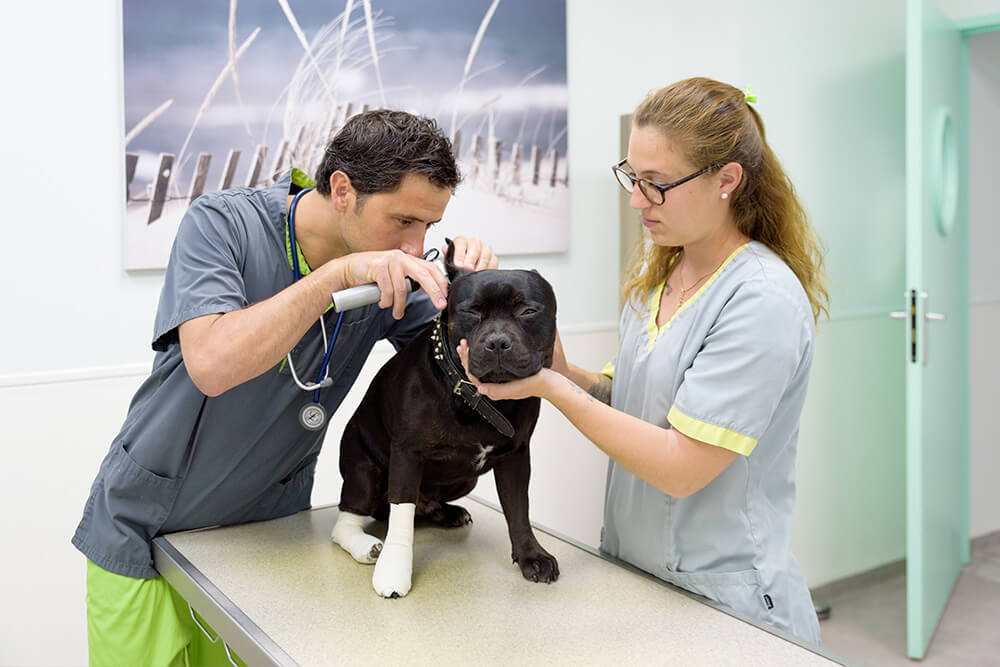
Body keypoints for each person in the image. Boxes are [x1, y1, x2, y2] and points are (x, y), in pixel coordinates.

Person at [73, 109, 498, 666]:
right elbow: (213, 363)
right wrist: (334, 278)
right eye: (402, 222)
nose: (416, 246)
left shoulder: (395, 271)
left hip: (270, 536)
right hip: (149, 536)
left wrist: (482, 291)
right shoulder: (222, 224)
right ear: (343, 190)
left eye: (429, 227)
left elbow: (474, 377)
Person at [458, 77, 828, 645]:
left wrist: (554, 393)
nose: (636, 201)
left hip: (724, 600)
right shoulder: (658, 279)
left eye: (655, 185)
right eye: (632, 178)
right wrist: (560, 371)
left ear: (727, 180)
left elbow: (682, 466)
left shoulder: (761, 300)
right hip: (638, 575)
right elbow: (632, 397)